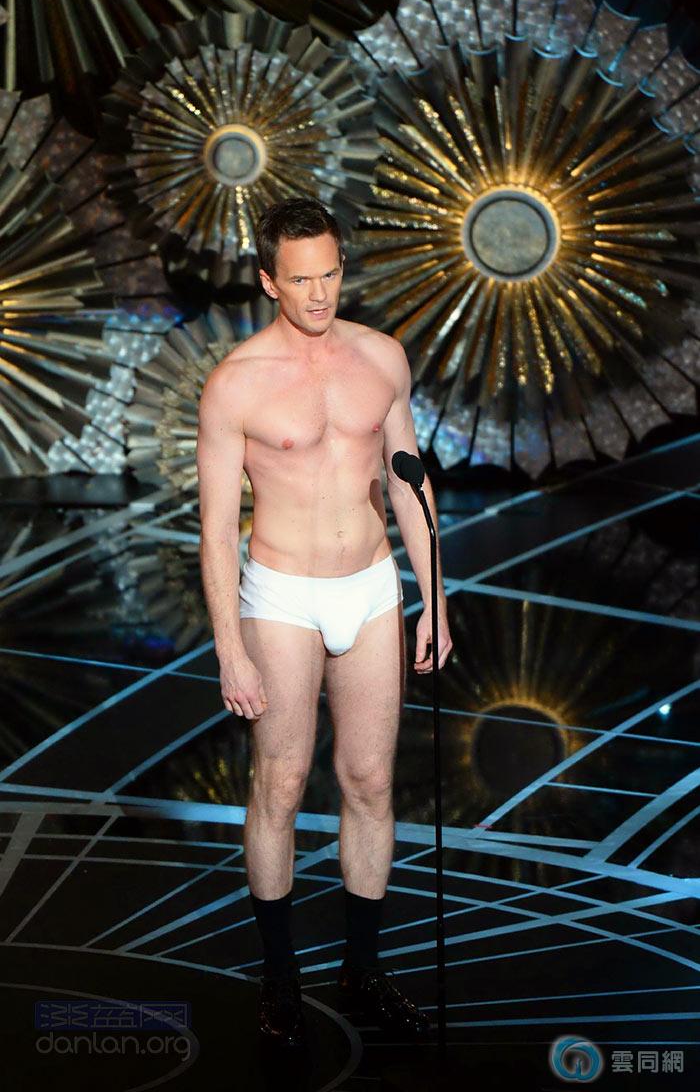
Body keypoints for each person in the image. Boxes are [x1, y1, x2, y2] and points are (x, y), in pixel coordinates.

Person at [196, 197, 453, 1049]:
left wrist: (436, 598)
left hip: (371, 587)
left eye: (331, 274)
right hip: (281, 596)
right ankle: (280, 981)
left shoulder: (381, 357)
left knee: (371, 781)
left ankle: (362, 970)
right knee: (279, 785)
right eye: (301, 279)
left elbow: (410, 482)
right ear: (269, 280)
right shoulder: (236, 383)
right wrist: (229, 648)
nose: (319, 294)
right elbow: (214, 530)